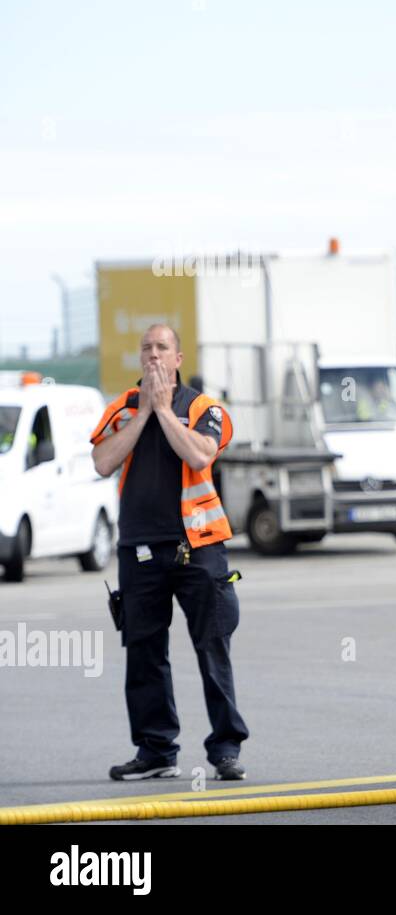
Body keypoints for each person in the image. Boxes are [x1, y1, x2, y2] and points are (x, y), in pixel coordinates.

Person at [90, 324, 249, 781]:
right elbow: (103, 461)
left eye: (163, 348)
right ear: (140, 358)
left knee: (212, 647)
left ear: (178, 358)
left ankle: (225, 750)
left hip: (197, 547)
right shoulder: (122, 408)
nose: (154, 355)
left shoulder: (204, 408)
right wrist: (145, 413)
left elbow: (200, 456)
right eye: (147, 348)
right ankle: (156, 751)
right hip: (138, 548)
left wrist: (164, 411)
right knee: (144, 651)